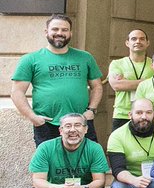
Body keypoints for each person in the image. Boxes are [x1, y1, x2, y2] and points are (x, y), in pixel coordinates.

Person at [11, 14, 103, 143]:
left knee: (87, 156)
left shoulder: (85, 57)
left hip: (81, 122)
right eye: (55, 29)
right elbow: (17, 92)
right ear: (46, 32)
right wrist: (33, 118)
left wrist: (91, 110)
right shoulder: (30, 59)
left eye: (64, 30)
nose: (59, 33)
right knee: (49, 157)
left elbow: (97, 86)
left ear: (70, 33)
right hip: (47, 124)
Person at [108, 29, 152, 130]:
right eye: (134, 39)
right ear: (127, 43)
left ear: (147, 43)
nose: (138, 41)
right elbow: (117, 85)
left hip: (146, 114)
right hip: (122, 114)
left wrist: (127, 82)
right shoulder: (117, 63)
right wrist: (147, 82)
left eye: (142, 39)